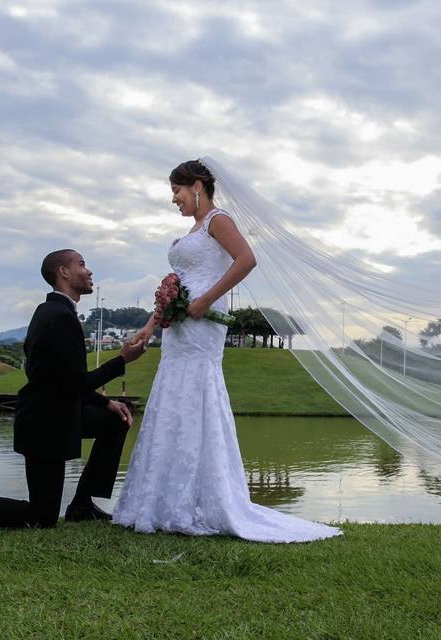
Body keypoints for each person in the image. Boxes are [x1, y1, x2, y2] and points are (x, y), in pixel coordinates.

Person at [112, 159, 341, 542]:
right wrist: (149, 328)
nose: (174, 199)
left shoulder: (218, 221)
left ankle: (203, 501)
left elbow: (247, 259)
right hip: (179, 329)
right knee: (173, 396)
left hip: (202, 324)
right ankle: (162, 500)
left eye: (177, 191)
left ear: (197, 186)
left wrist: (205, 300)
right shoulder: (191, 231)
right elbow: (176, 288)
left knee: (196, 395)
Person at [0, 250, 146, 528]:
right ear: (64, 272)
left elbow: (60, 377)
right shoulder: (59, 317)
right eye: (82, 264)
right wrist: (122, 360)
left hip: (58, 415)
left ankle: (82, 505)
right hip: (44, 425)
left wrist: (107, 403)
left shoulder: (51, 312)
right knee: (42, 517)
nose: (89, 271)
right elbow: (74, 383)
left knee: (114, 420)